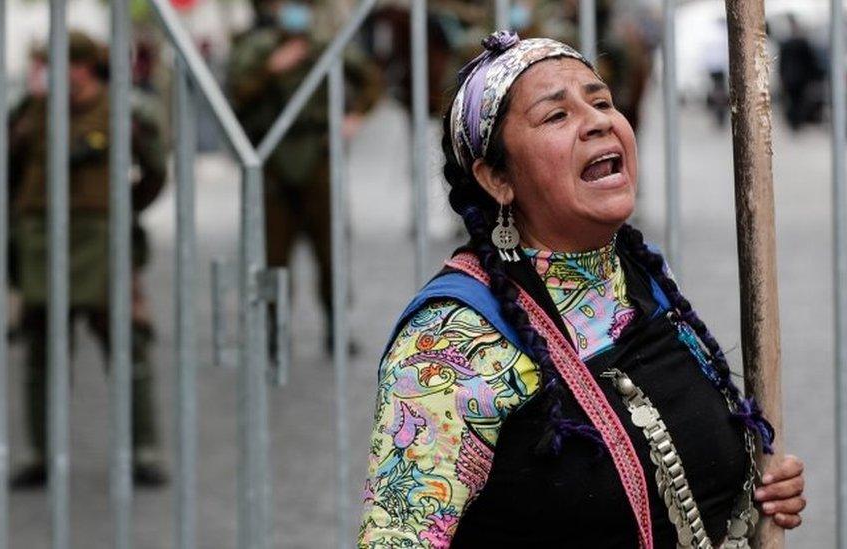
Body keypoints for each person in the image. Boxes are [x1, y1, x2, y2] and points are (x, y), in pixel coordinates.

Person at [358, 34, 806, 547]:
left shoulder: (645, 280)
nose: (598, 121)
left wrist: (754, 490)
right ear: (497, 178)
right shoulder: (447, 346)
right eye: (556, 116)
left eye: (601, 102)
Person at [9, 31, 168, 488]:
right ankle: (42, 453)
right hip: (43, 243)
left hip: (101, 243)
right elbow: (9, 173)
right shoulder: (30, 113)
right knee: (42, 353)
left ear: (80, 66)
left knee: (128, 347)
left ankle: (143, 451)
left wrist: (124, 209)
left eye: (55, 63)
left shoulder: (126, 111)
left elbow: (155, 170)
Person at [227, 0, 380, 352]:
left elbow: (370, 79)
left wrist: (355, 116)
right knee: (272, 256)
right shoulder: (255, 47)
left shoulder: (324, 45)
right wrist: (271, 68)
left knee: (331, 251)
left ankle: (336, 328)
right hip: (272, 163)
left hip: (318, 160)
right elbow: (236, 94)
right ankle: (273, 333)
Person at [778, 14, 825, 131]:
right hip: (797, 78)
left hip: (792, 78)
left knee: (795, 101)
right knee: (796, 101)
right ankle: (796, 122)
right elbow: (811, 61)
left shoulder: (789, 43)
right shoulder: (800, 43)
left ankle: (795, 123)